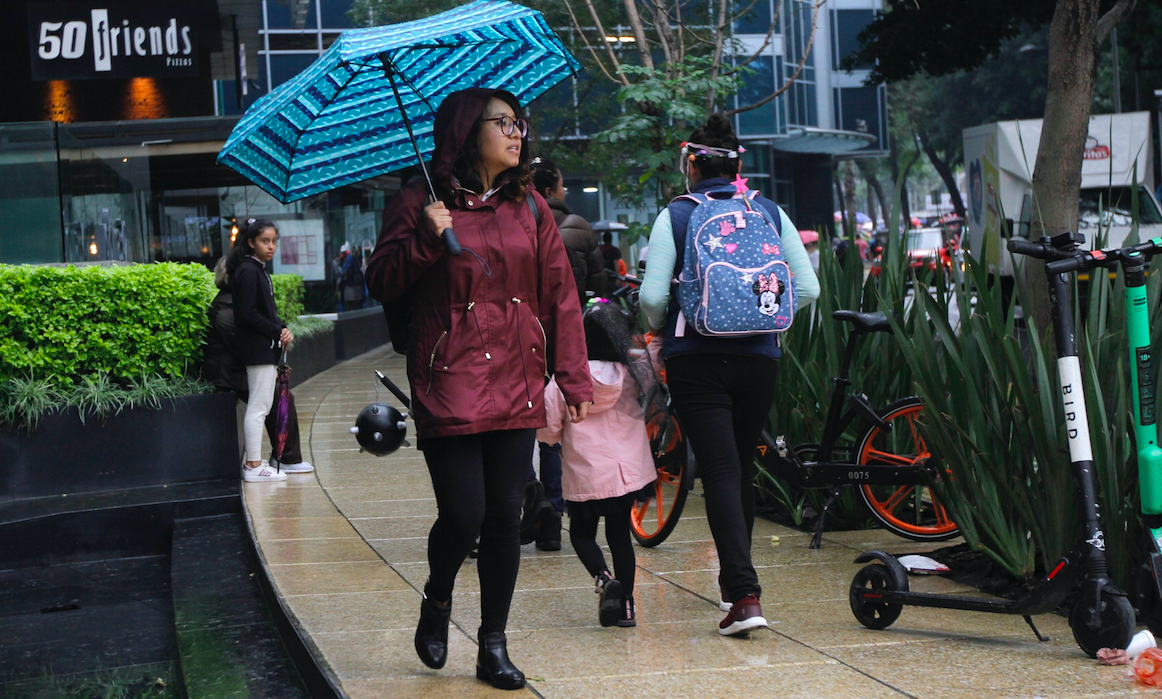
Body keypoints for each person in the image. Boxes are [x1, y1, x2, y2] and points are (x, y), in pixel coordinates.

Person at [364, 88, 592, 690]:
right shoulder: (419, 200)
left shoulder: (531, 208)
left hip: (517, 378)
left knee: (504, 518)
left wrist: (572, 375)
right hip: (449, 380)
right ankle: (438, 601)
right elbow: (382, 279)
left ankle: (493, 644)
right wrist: (423, 238)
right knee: (462, 516)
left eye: (520, 123)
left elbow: (561, 294)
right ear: (468, 130)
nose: (518, 133)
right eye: (503, 123)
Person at [639, 113, 820, 636]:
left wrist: (660, 329)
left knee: (718, 470)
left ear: (691, 164)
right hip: (759, 358)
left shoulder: (677, 213)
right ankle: (733, 588)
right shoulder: (768, 210)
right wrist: (766, 325)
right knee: (739, 467)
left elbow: (652, 297)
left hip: (697, 359)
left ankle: (743, 595)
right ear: (738, 165)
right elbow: (806, 290)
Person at [538, 299, 657, 628]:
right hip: (628, 472)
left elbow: (548, 431)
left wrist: (550, 440)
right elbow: (653, 373)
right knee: (620, 537)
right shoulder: (631, 373)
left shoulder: (565, 382)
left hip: (588, 473)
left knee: (581, 534)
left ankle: (604, 580)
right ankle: (627, 609)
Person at [525, 157, 608, 550]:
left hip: (523, 337)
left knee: (523, 424)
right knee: (554, 433)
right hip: (565, 338)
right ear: (555, 188)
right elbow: (598, 288)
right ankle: (554, 513)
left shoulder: (517, 221)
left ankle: (531, 495)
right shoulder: (578, 228)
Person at [203, 258, 314, 476]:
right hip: (229, 372)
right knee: (276, 397)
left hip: (240, 366)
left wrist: (281, 331)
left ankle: (284, 457)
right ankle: (282, 459)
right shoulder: (227, 310)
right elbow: (246, 345)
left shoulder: (237, 303)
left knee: (280, 396)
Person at [226, 218, 296, 483]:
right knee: (259, 407)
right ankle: (253, 464)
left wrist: (281, 328)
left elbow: (261, 313)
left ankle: (255, 463)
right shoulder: (249, 270)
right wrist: (276, 330)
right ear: (251, 242)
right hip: (257, 349)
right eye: (265, 241)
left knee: (261, 406)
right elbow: (248, 314)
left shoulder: (255, 269)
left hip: (262, 348)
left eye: (274, 240)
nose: (271, 246)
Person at [339, 242, 366, 310]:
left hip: (351, 286)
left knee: (351, 306)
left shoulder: (349, 260)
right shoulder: (352, 259)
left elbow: (344, 272)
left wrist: (340, 273)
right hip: (355, 286)